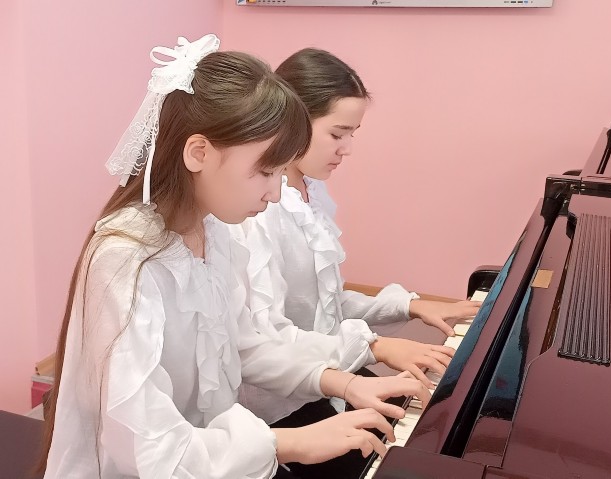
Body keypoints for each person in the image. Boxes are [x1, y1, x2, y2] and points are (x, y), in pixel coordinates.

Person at [39, 35, 428, 479]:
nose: (275, 192)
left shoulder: (214, 231)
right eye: (265, 171)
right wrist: (289, 443)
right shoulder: (126, 259)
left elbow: (245, 345)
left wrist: (345, 382)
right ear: (199, 153)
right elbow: (147, 445)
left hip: (218, 459)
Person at [232, 50, 481, 476]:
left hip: (325, 369)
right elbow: (268, 337)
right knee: (391, 447)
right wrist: (375, 346)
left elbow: (323, 305)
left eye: (353, 133)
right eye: (337, 133)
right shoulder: (258, 211)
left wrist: (410, 305)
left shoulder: (310, 192)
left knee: (423, 411)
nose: (347, 149)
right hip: (278, 400)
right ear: (291, 121)